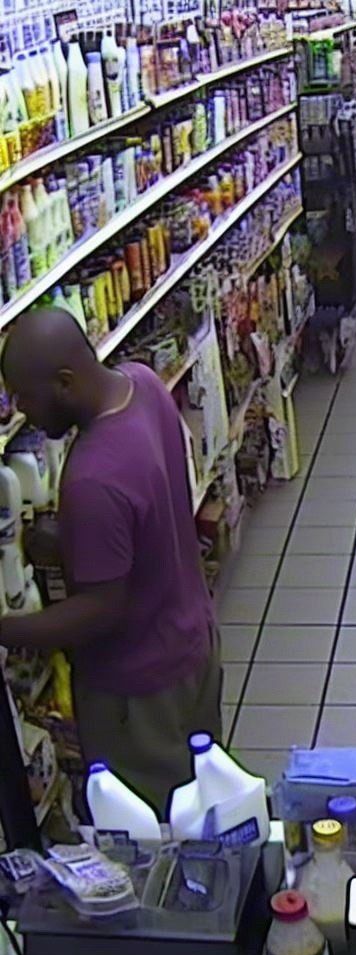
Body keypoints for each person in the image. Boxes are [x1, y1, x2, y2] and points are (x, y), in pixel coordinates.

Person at [0, 307, 220, 813]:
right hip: (192, 644)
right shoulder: (141, 383)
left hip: (138, 693)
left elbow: (101, 610)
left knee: (156, 831)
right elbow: (150, 514)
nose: (18, 411)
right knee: (204, 799)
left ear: (63, 383)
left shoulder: (92, 477)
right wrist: (69, 543)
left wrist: (9, 630)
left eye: (24, 397)